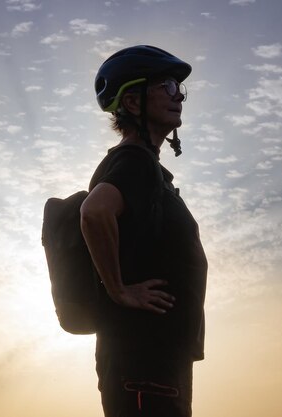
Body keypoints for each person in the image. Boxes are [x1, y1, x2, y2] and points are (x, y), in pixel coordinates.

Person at [80, 45, 208, 417]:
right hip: (143, 362)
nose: (178, 95)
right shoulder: (134, 161)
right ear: (133, 103)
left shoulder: (147, 169)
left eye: (180, 88)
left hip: (156, 361)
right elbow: (94, 213)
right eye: (166, 86)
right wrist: (119, 291)